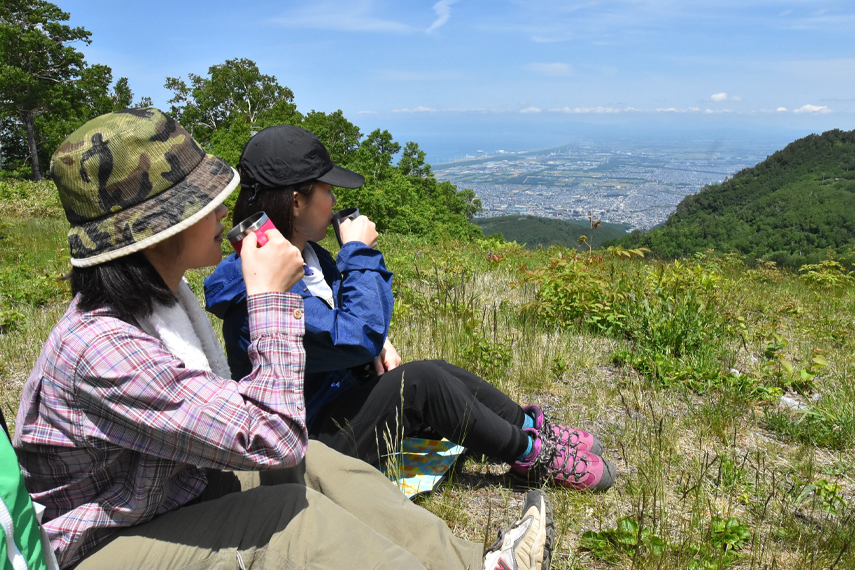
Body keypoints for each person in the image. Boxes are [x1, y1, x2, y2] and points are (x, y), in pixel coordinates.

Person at [12, 108, 554, 570]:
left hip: (166, 496)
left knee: (317, 464)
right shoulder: (104, 348)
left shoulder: (153, 305)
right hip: (102, 548)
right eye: (203, 202)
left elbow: (276, 437)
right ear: (161, 229)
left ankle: (471, 563)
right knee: (284, 520)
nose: (225, 210)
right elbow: (271, 435)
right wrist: (270, 298)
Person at [204, 125, 617, 491]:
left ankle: (527, 428)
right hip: (305, 443)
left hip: (334, 406)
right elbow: (354, 335)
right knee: (418, 382)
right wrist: (357, 252)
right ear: (296, 202)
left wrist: (376, 341)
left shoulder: (307, 257)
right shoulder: (252, 294)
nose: (334, 201)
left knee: (436, 371)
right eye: (327, 190)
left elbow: (349, 328)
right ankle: (528, 456)